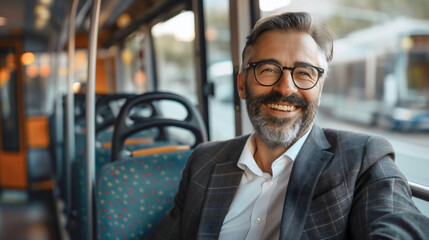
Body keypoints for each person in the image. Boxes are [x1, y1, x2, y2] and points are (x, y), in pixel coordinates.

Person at [147, 12, 429, 239]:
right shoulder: (204, 161)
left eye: (304, 73)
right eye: (268, 69)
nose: (286, 88)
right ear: (242, 84)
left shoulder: (363, 158)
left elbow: (400, 225)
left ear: (319, 88)